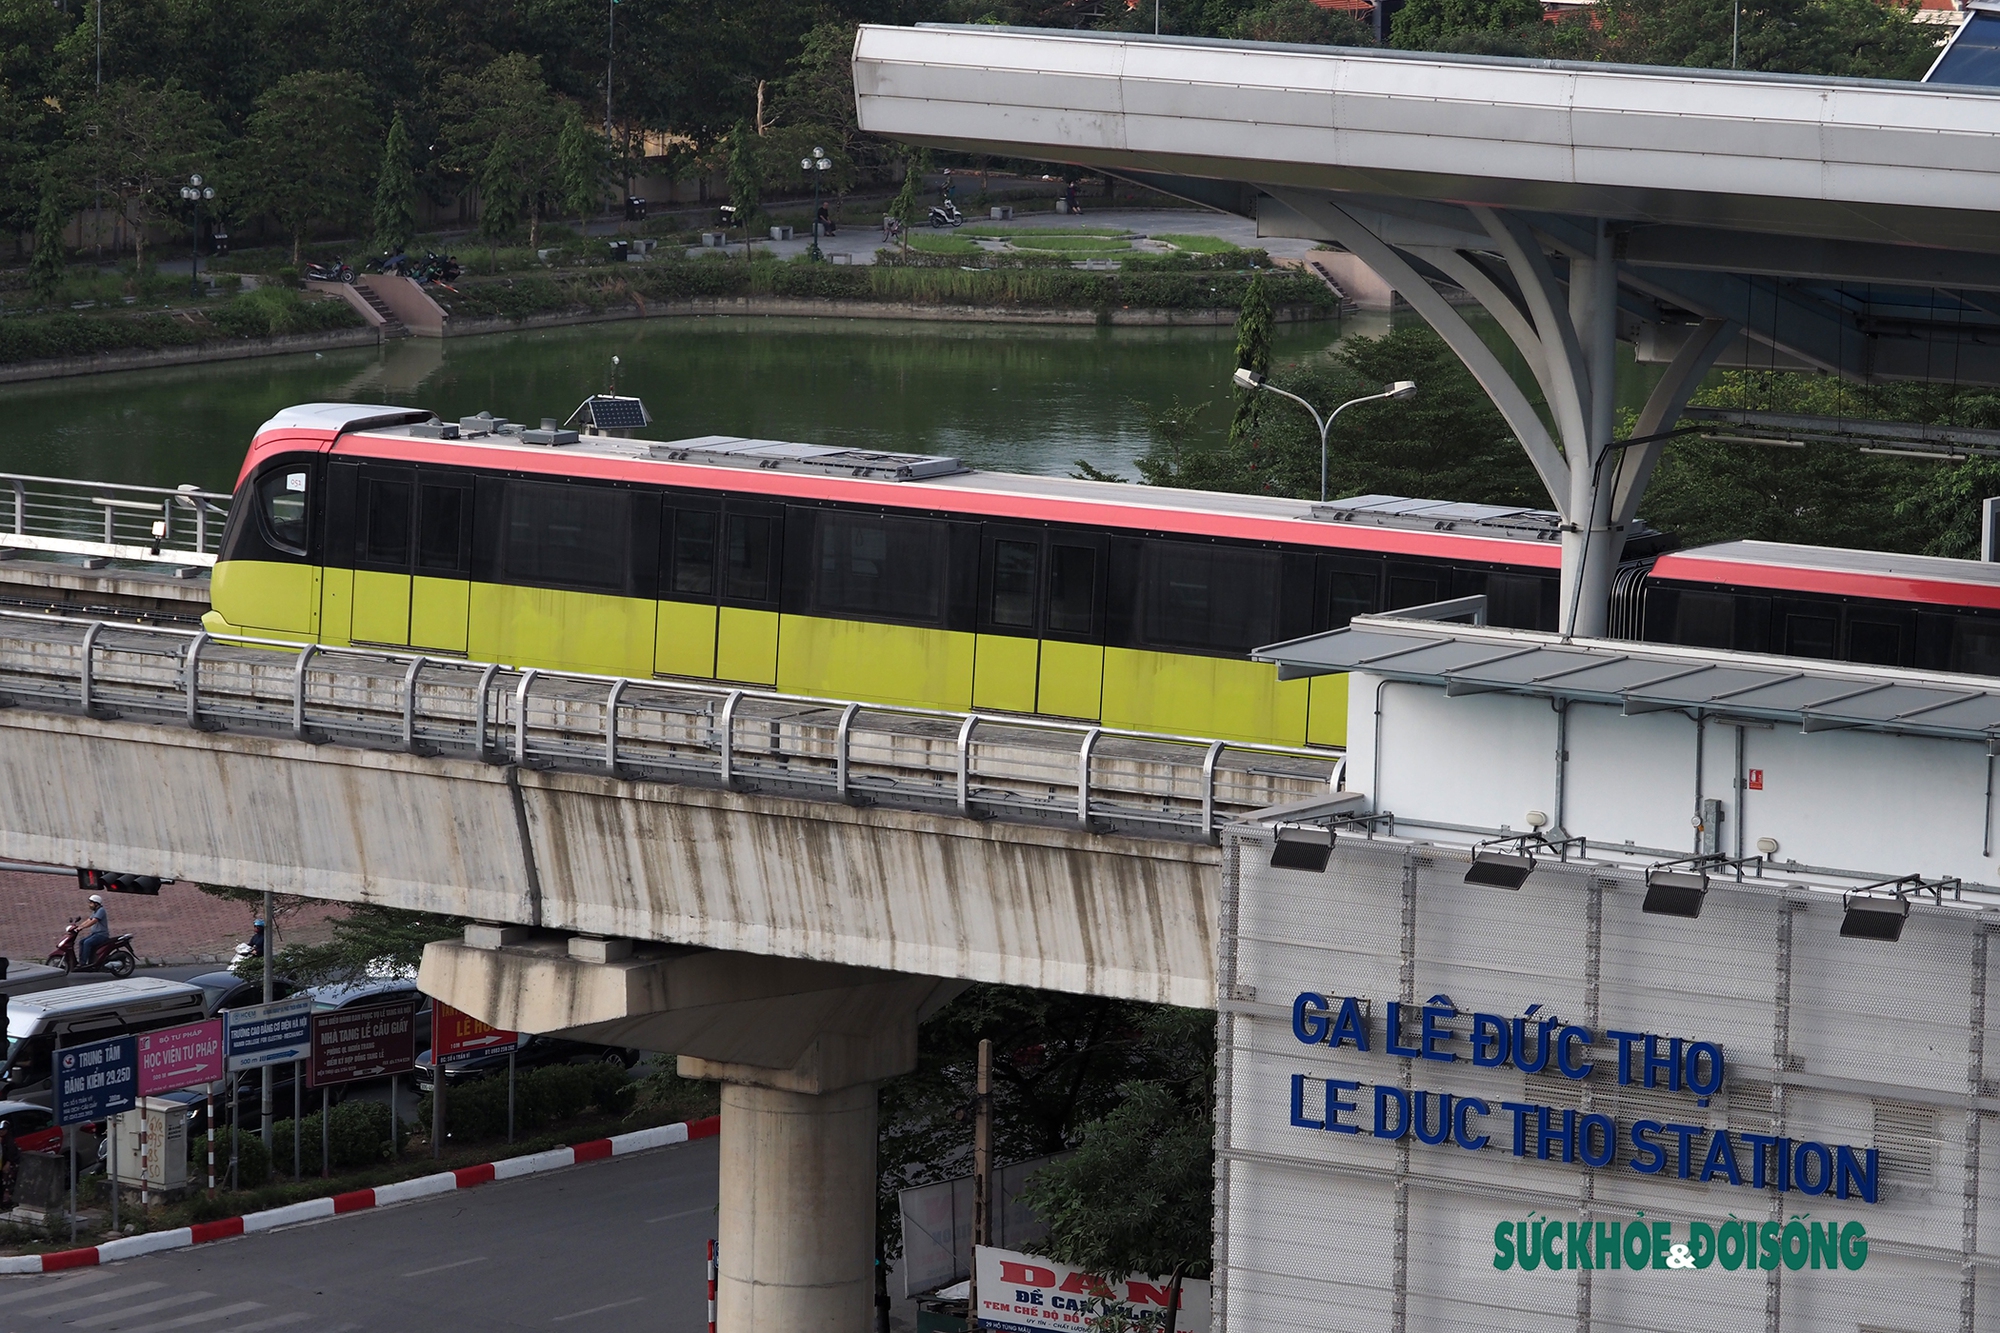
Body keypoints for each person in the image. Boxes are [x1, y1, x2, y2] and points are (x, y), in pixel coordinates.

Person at [77, 893, 108, 968]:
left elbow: (94, 921)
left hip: (101, 935)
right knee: (81, 942)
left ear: (96, 903)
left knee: (87, 943)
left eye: (91, 903)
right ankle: (81, 961)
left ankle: (84, 963)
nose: (89, 905)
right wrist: (79, 926)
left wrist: (83, 927)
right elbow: (88, 920)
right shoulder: (95, 911)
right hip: (95, 934)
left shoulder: (101, 910)